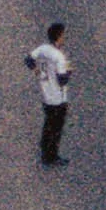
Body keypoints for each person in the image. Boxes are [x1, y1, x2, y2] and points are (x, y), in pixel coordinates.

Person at [27, 22, 71, 164]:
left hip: (46, 93)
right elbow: (62, 80)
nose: (64, 38)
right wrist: (69, 71)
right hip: (58, 98)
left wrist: (37, 72)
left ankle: (44, 148)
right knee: (56, 128)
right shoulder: (59, 57)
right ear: (58, 36)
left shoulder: (43, 49)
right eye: (63, 35)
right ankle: (51, 156)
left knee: (48, 123)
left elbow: (28, 59)